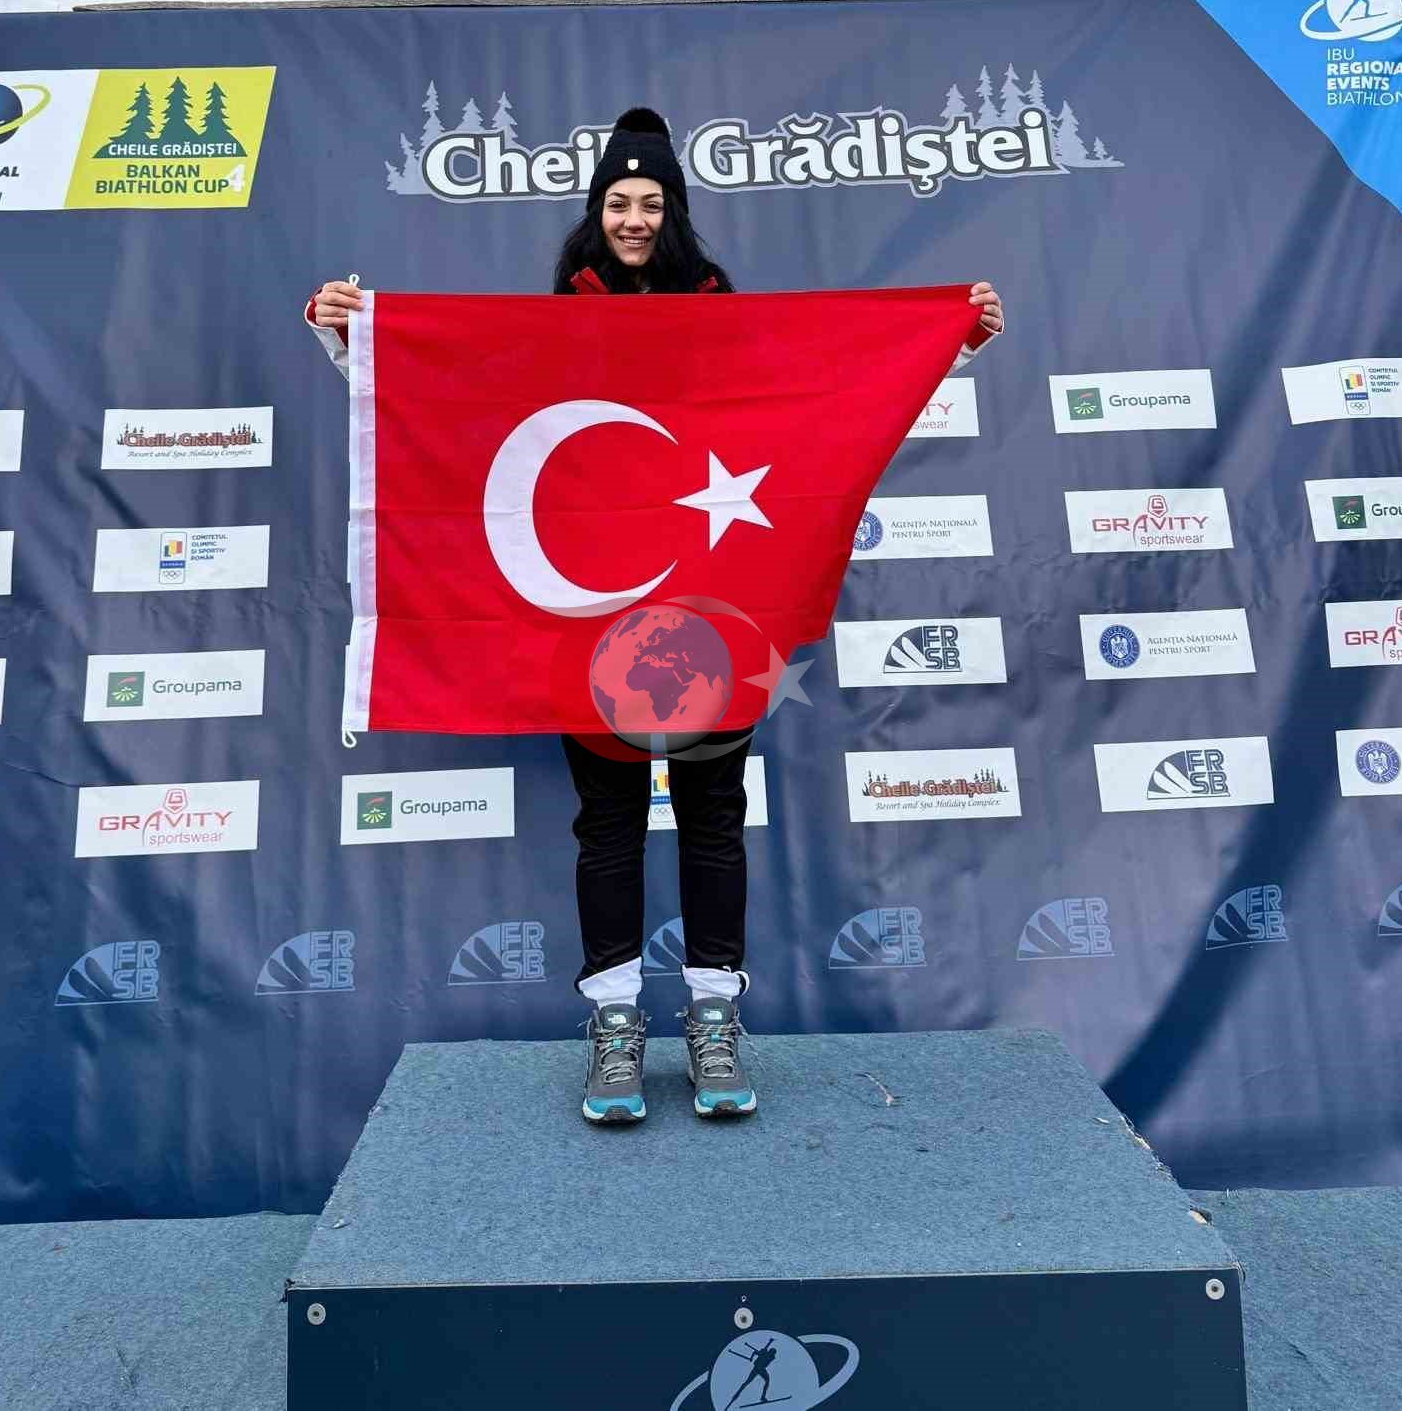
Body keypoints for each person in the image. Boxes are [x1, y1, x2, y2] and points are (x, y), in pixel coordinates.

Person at [306, 107, 1003, 1127]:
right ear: (596, 214)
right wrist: (352, 337)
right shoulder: (553, 325)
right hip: (589, 620)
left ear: (674, 214)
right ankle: (616, 1025)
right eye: (618, 203)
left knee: (715, 817)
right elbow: (454, 399)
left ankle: (714, 1017)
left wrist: (949, 341)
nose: (633, 220)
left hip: (713, 612)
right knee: (610, 824)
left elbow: (830, 392)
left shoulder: (725, 319)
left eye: (651, 203)